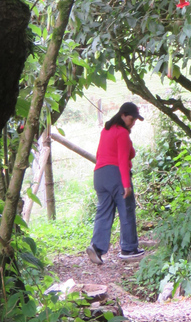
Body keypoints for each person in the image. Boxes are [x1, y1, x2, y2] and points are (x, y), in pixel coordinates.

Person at [85, 102, 146, 265]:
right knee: (126, 210)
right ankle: (129, 248)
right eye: (131, 119)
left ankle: (96, 248)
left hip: (99, 175)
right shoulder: (122, 134)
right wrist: (126, 184)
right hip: (116, 174)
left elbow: (102, 154)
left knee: (103, 211)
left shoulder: (105, 131)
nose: (132, 123)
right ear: (123, 115)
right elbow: (123, 160)